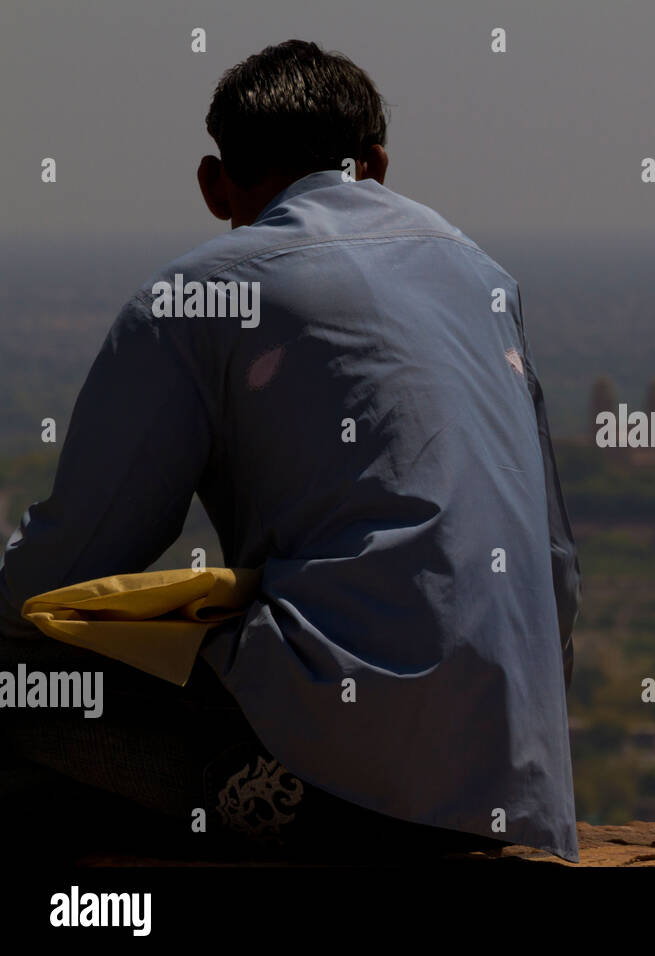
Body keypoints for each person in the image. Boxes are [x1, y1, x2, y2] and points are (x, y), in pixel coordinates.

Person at [0, 39, 581, 863]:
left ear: (213, 185)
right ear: (374, 164)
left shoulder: (193, 298)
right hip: (513, 787)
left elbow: (69, 563)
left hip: (327, 782)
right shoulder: (484, 279)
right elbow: (556, 568)